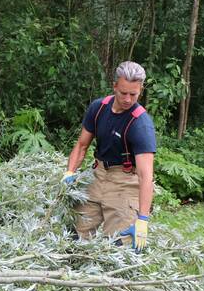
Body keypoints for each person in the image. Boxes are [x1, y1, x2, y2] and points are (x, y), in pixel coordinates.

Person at [62, 61, 156, 251]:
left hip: (125, 182)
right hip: (97, 175)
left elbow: (146, 176)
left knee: (117, 247)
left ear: (141, 90)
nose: (128, 99)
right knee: (75, 236)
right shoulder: (98, 108)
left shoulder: (141, 125)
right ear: (114, 86)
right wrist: (69, 172)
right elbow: (81, 145)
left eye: (134, 94)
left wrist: (143, 220)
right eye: (123, 93)